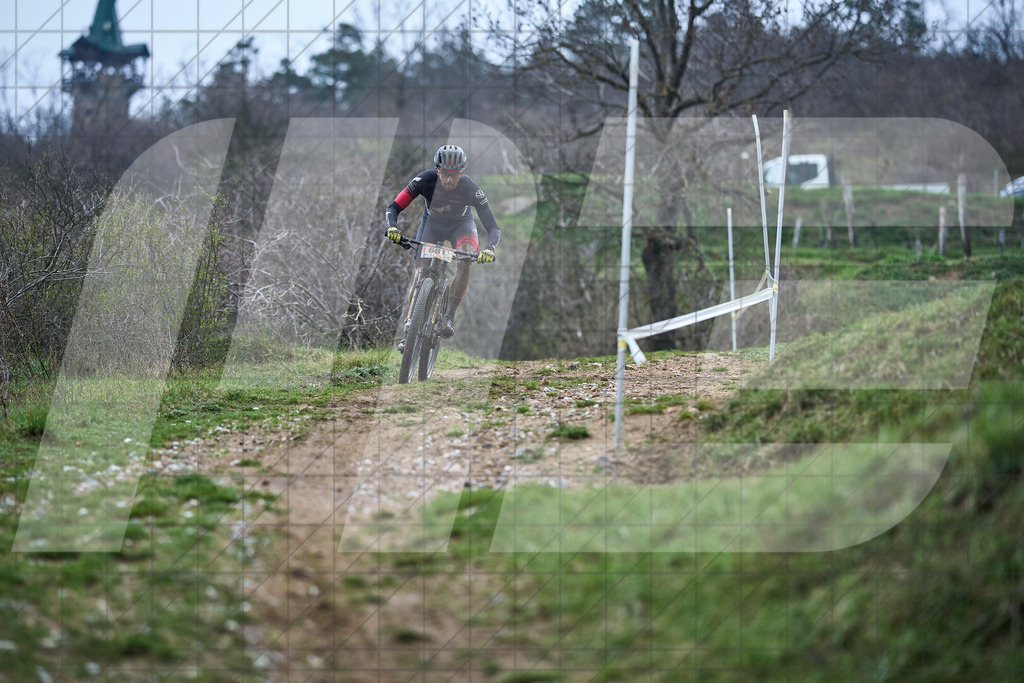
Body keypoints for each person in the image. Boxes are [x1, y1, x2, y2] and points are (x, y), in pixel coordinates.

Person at [384, 144, 500, 350]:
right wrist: (392, 227)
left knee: (465, 259)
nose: (449, 179)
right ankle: (409, 325)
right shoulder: (424, 180)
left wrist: (490, 248)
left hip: (461, 226)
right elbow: (394, 207)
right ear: (437, 171)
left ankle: (448, 317)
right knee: (420, 270)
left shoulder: (471, 188)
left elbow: (492, 227)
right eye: (445, 174)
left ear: (462, 172)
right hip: (431, 226)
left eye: (454, 175)